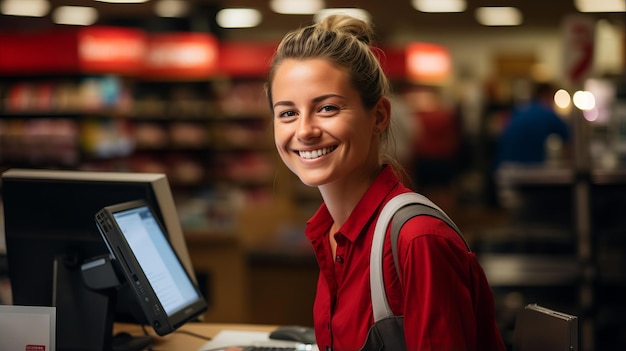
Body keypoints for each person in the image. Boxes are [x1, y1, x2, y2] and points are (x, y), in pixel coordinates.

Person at [266, 14, 506, 351]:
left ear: (379, 116)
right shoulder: (331, 234)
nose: (304, 130)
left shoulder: (418, 240)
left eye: (328, 108)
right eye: (288, 113)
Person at [494, 82, 570, 168]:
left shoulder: (519, 111)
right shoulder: (546, 113)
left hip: (502, 166)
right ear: (547, 95)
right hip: (523, 169)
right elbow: (568, 134)